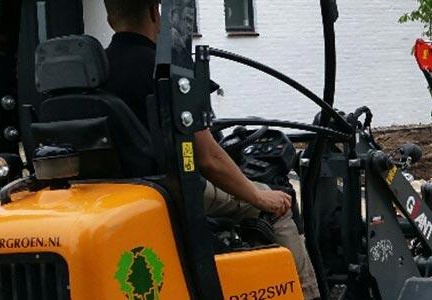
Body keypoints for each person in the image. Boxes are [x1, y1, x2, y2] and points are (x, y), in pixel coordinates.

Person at [100, 0, 320, 298]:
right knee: (278, 203)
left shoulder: (96, 72)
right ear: (155, 12)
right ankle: (307, 294)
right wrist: (260, 196)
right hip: (168, 190)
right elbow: (208, 158)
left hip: (110, 192)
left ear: (111, 18)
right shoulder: (164, 72)